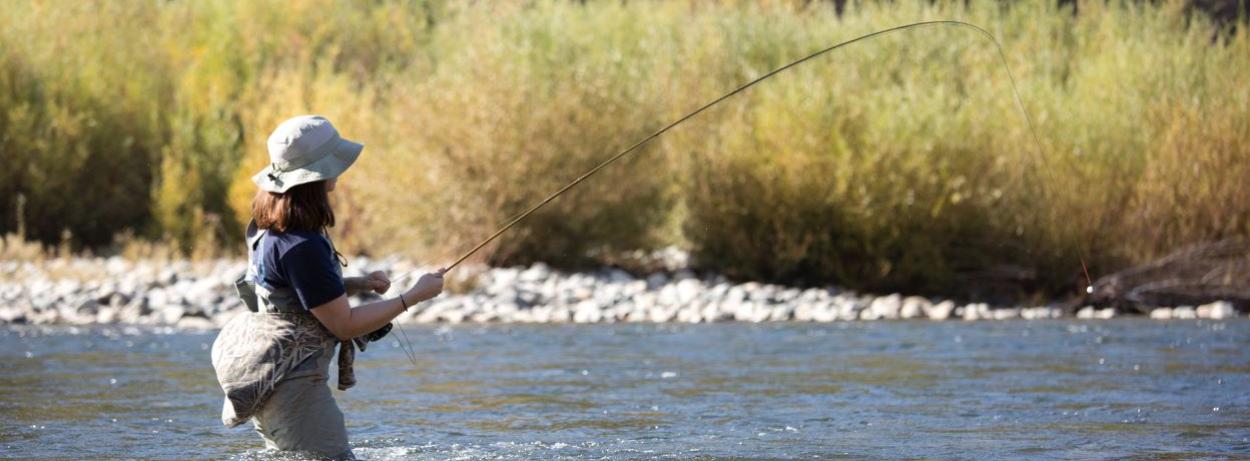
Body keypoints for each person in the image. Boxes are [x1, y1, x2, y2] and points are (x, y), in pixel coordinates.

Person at [210, 115, 445, 460]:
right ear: (318, 173)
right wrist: (413, 297)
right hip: (293, 389)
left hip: (276, 381)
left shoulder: (274, 227)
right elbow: (344, 324)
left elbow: (293, 296)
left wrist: (358, 283)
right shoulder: (301, 244)